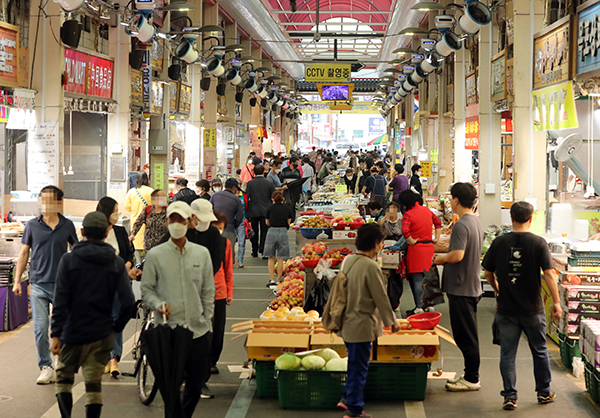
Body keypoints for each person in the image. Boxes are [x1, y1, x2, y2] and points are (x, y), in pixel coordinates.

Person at [51, 211, 134, 418]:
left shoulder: (68, 260)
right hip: (102, 333)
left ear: (81, 232)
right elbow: (128, 303)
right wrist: (115, 327)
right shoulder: (115, 263)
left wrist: (56, 334)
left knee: (63, 379)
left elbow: (60, 300)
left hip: (73, 332)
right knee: (93, 385)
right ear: (106, 234)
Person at [482, 201, 562, 410]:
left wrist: (496, 287)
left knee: (507, 354)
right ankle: (544, 392)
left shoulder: (499, 242)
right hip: (532, 309)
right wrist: (557, 302)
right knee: (540, 350)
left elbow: (487, 272)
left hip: (507, 309)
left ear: (511, 219)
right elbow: (550, 275)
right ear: (531, 218)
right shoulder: (538, 243)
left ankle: (510, 396)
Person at [141, 202, 214, 416]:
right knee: (170, 390)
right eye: (172, 220)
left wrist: (207, 320)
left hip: (198, 332)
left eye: (180, 220)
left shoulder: (201, 254)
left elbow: (208, 291)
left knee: (194, 384)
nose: (176, 224)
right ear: (166, 222)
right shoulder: (155, 255)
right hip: (168, 331)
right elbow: (147, 290)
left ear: (190, 221)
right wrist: (157, 304)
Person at [13, 185, 78, 384]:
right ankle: (45, 366)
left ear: (59, 203)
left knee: (64, 327)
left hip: (62, 285)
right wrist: (17, 281)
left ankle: (61, 359)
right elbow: (24, 253)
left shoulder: (67, 226)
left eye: (50, 200)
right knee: (40, 328)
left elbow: (76, 251)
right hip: (39, 283)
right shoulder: (32, 225)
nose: (45, 204)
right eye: (42, 199)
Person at [337, 223, 401, 418]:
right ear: (375, 243)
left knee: (353, 364)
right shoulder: (371, 267)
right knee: (359, 368)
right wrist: (393, 321)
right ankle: (354, 409)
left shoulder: (348, 261)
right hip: (362, 325)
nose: (382, 246)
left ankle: (346, 398)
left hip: (347, 323)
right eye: (381, 242)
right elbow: (381, 298)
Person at [434, 183, 483, 392]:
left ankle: (472, 378)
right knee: (467, 333)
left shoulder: (462, 224)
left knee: (466, 336)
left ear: (455, 200)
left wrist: (440, 258)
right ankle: (470, 375)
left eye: (450, 198)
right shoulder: (474, 221)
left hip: (462, 287)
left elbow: (457, 255)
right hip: (469, 285)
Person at [96, 196, 135, 378]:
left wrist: (126, 264)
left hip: (119, 283)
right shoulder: (96, 232)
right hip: (99, 285)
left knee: (116, 318)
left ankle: (114, 359)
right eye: (114, 211)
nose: (117, 214)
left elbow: (129, 254)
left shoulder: (120, 231)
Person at [400, 190, 442, 315]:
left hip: (416, 249)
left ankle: (419, 306)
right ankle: (431, 306)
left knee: (418, 280)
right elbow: (438, 223)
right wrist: (437, 238)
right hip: (429, 247)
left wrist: (411, 240)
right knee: (429, 278)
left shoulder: (408, 214)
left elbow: (405, 230)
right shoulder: (427, 211)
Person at [207, 210, 234, 376]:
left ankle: (212, 361)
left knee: (218, 329)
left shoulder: (226, 244)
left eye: (221, 227)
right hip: (201, 292)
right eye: (216, 226)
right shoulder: (200, 242)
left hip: (220, 291)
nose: (219, 230)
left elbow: (228, 269)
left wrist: (229, 291)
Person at [264, 191, 294, 287]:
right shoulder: (287, 208)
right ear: (283, 199)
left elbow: (267, 222)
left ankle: (272, 279)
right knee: (280, 258)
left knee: (271, 257)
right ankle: (278, 280)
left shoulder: (269, 208)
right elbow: (289, 222)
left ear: (272, 199)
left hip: (272, 231)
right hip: (283, 232)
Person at [246, 165, 276, 258]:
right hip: (266, 210)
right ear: (264, 172)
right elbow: (273, 195)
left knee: (254, 230)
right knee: (265, 230)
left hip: (253, 210)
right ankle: (263, 251)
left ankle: (254, 250)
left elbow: (247, 196)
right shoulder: (269, 183)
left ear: (254, 172)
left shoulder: (250, 183)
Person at [211, 178, 244, 260]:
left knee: (215, 250)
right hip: (229, 228)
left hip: (214, 228)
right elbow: (240, 216)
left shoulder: (215, 196)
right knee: (228, 253)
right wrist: (233, 224)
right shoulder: (236, 200)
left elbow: (209, 210)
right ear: (233, 188)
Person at [129, 189, 169, 255]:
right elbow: (138, 223)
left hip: (164, 247)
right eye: (162, 197)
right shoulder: (147, 210)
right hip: (149, 247)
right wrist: (133, 234)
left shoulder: (168, 210)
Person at [125, 172, 153, 264]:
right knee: (148, 242)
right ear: (147, 180)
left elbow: (127, 207)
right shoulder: (151, 191)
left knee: (136, 242)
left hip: (135, 220)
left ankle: (138, 262)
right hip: (149, 220)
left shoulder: (131, 192)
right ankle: (147, 262)